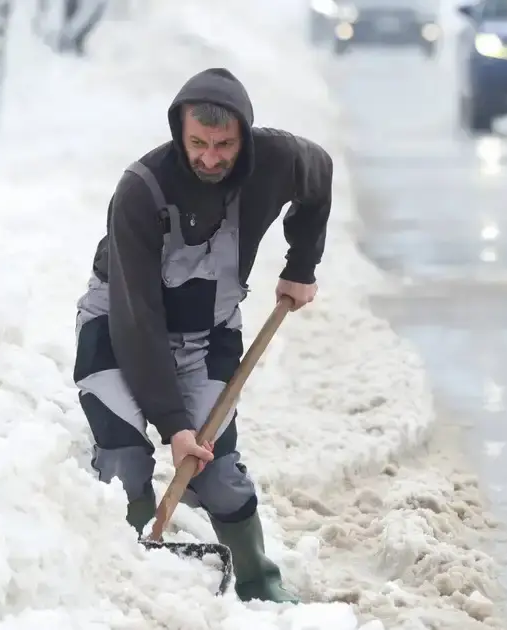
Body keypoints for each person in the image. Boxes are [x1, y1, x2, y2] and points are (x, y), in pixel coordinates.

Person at [72, 67, 333, 604]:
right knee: (124, 460)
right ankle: (137, 585)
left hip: (207, 335)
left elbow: (321, 174)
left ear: (244, 135)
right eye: (197, 143)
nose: (210, 158)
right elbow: (136, 317)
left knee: (217, 476)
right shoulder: (140, 191)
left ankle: (261, 584)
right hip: (119, 329)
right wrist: (173, 426)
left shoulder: (278, 160)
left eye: (224, 145)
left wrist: (302, 264)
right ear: (179, 132)